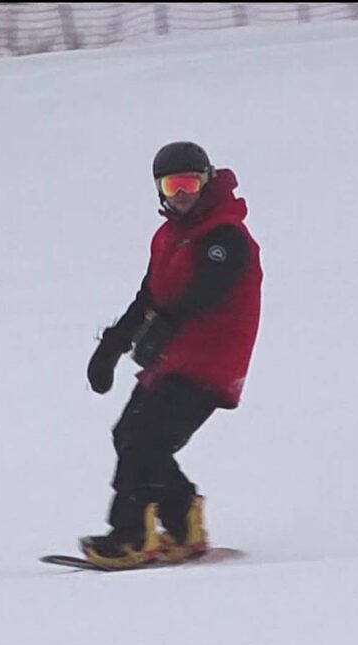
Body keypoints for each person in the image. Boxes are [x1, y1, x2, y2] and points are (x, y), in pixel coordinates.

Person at [81, 141, 263, 569]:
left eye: (189, 184)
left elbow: (206, 291)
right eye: (172, 185)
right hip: (175, 359)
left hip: (210, 361)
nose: (181, 194)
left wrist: (162, 327)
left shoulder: (225, 236)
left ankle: (129, 537)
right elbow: (150, 295)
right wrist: (113, 344)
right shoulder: (169, 238)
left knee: (144, 438)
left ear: (206, 182)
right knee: (131, 435)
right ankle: (183, 525)